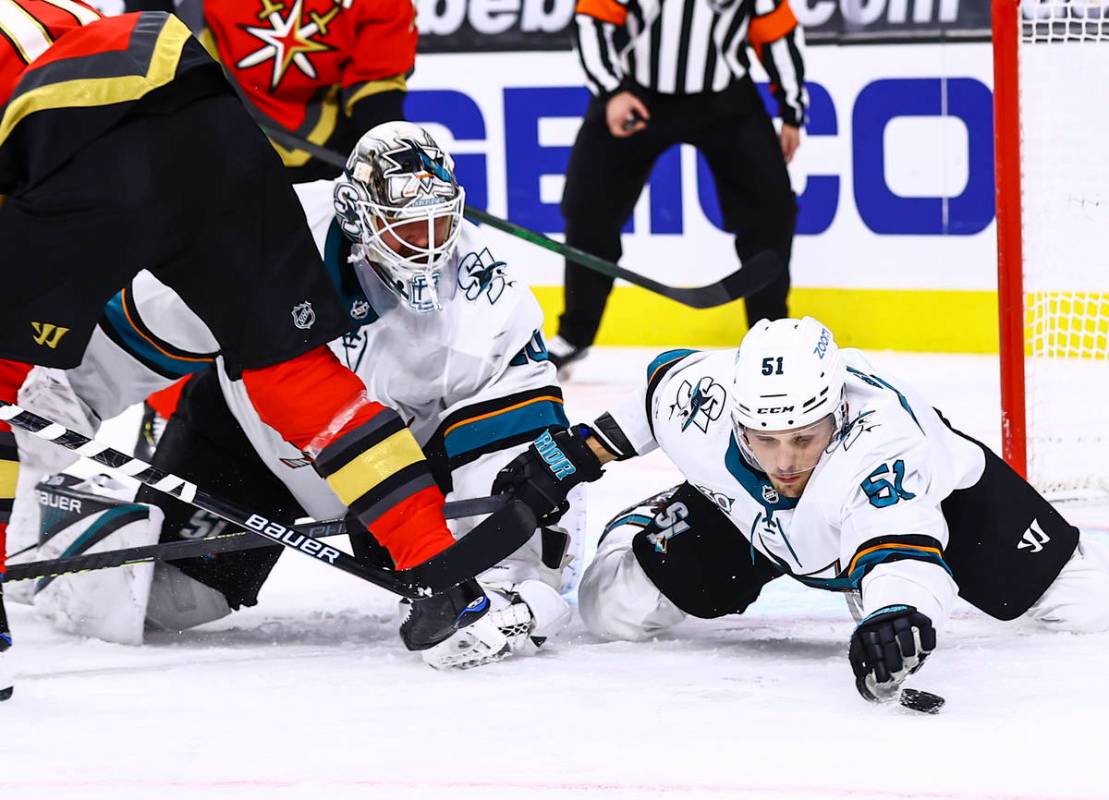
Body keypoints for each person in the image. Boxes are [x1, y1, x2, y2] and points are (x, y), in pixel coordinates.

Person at [0, 6, 490, 700]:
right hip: (211, 112)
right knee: (294, 372)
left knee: (4, 378)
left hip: (80, 136)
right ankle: (441, 573)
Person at [12, 122, 578, 669]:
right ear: (356, 213)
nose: (428, 248)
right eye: (407, 228)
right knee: (162, 602)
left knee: (494, 561)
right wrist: (37, 490)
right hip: (250, 436)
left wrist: (508, 578)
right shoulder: (257, 241)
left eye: (438, 225)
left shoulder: (488, 300)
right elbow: (82, 373)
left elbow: (511, 461)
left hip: (402, 474)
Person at [493, 317, 1109, 702]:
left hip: (949, 502)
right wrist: (570, 452)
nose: (785, 462)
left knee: (1087, 608)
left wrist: (897, 613)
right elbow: (650, 401)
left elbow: (902, 551)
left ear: (836, 413)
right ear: (736, 417)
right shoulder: (701, 396)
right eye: (764, 440)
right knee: (609, 612)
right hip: (745, 519)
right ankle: (647, 519)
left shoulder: (883, 445)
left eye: (803, 439)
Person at [548, 0, 807, 375]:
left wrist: (792, 109)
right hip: (637, 93)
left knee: (772, 210)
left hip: (724, 95)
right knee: (588, 209)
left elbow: (775, 28)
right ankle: (575, 334)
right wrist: (611, 90)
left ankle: (771, 338)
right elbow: (593, 17)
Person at [124, 0, 415, 182]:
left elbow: (375, 93)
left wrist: (392, 160)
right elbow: (150, 27)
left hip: (334, 149)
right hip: (222, 132)